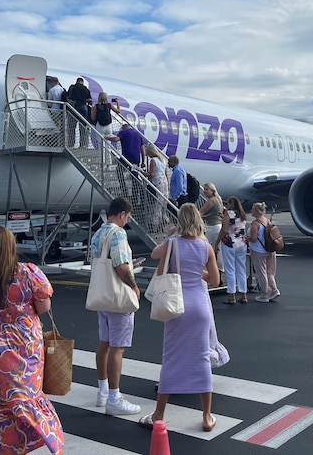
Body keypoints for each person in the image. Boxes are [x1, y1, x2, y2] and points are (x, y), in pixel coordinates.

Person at [0, 227, 64, 454]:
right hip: (23, 344)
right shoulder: (28, 273)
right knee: (26, 397)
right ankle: (37, 440)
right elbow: (44, 307)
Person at [140, 203, 220, 432]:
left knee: (171, 358)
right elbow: (214, 280)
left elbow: (160, 270)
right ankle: (206, 416)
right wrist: (197, 272)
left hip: (177, 306)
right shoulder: (206, 247)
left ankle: (158, 414)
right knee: (202, 358)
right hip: (200, 307)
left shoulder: (172, 244)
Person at [89, 197, 142, 416]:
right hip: (118, 297)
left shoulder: (98, 233)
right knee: (118, 348)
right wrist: (134, 285)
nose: (126, 221)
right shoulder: (118, 233)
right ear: (122, 214)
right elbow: (120, 266)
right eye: (127, 217)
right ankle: (114, 397)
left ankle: (102, 392)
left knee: (105, 343)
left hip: (103, 295)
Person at [218, 196, 248, 304]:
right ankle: (243, 294)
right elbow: (235, 223)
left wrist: (217, 242)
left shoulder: (228, 213)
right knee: (241, 269)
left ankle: (232, 295)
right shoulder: (242, 214)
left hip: (230, 243)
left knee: (230, 269)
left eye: (227, 203)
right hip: (242, 242)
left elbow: (224, 230)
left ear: (231, 204)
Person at [248, 202, 280, 302]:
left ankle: (265, 294)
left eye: (252, 209)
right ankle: (274, 289)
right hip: (269, 249)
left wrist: (246, 238)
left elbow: (253, 238)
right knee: (270, 271)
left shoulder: (255, 224)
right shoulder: (267, 221)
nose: (251, 211)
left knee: (261, 272)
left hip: (258, 250)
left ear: (257, 211)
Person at [199, 182, 224, 276]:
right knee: (217, 250)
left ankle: (211, 272)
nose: (205, 191)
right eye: (204, 189)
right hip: (218, 226)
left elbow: (201, 212)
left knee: (205, 249)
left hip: (213, 227)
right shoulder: (218, 199)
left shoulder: (211, 201)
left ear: (212, 190)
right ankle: (219, 272)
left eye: (207, 189)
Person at [90, 92, 122, 162]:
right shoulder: (109, 105)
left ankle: (102, 163)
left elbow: (93, 118)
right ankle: (109, 163)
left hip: (100, 126)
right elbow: (118, 111)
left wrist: (92, 111)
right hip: (109, 126)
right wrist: (117, 103)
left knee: (101, 145)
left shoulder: (96, 106)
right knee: (108, 145)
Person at [145, 145, 170, 228]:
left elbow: (151, 174)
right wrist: (168, 184)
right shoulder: (163, 160)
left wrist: (141, 171)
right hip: (164, 181)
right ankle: (163, 218)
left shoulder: (153, 160)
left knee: (157, 202)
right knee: (163, 201)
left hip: (157, 181)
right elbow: (166, 174)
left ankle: (155, 221)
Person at [67, 77, 92, 148]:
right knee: (83, 127)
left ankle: (71, 144)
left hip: (73, 108)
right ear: (82, 82)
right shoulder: (86, 89)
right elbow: (89, 100)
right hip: (83, 108)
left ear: (77, 81)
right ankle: (83, 144)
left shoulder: (72, 87)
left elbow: (68, 97)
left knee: (72, 127)